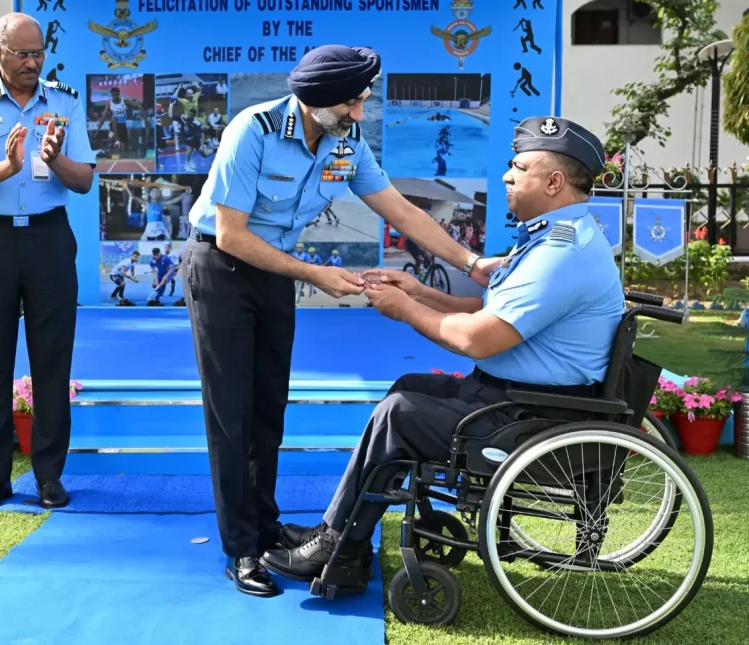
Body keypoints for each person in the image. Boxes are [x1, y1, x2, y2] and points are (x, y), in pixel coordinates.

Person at [182, 44, 501, 599]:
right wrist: (316, 273)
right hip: (220, 268)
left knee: (269, 408)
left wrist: (472, 263)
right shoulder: (251, 130)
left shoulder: (345, 142)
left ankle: (264, 522)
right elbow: (232, 234)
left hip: (273, 273)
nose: (359, 114)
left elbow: (402, 210)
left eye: (361, 102)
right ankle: (242, 548)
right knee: (232, 413)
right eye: (351, 104)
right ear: (318, 100)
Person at [260, 116, 626, 588]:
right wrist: (416, 290)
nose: (506, 176)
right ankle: (339, 534)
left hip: (530, 415)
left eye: (518, 167)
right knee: (407, 391)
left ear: (554, 182)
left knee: (400, 412)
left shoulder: (561, 253)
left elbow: (477, 338)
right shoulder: (553, 237)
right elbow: (486, 309)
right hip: (518, 399)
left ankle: (341, 549)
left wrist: (405, 310)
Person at [0, 12, 96, 512]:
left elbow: (84, 179)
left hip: (49, 238)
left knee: (53, 359)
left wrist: (55, 159)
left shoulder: (64, 101)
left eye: (38, 53)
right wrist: (5, 167)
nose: (32, 63)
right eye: (22, 53)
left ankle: (49, 476)